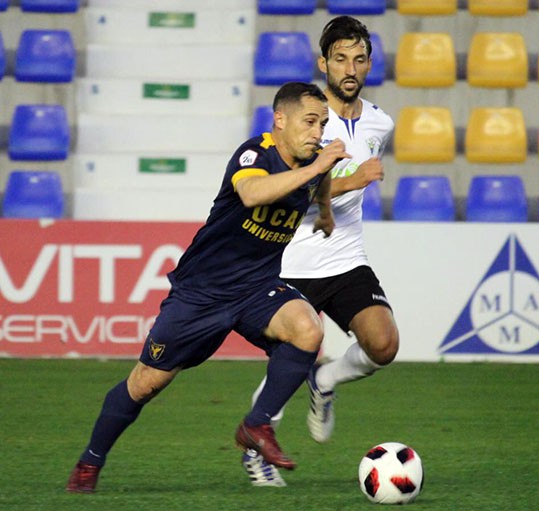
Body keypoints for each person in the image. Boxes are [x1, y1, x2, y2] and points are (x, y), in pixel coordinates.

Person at [65, 81, 352, 493]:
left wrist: (325, 210)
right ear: (280, 120)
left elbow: (317, 180)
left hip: (257, 287)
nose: (317, 131)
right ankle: (90, 463)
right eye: (309, 121)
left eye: (322, 123)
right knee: (145, 383)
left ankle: (256, 426)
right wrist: (318, 168)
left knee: (308, 328)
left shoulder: (312, 161)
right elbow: (253, 194)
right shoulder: (256, 153)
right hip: (202, 293)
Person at [242, 16, 399, 487]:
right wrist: (355, 178)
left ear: (369, 63)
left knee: (383, 345)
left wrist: (351, 183)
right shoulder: (306, 120)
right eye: (339, 59)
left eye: (358, 59)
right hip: (288, 262)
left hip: (347, 259)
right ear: (322, 63)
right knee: (286, 365)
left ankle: (326, 381)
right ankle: (256, 454)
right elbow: (290, 192)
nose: (349, 68)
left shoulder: (380, 122)